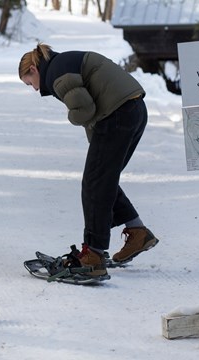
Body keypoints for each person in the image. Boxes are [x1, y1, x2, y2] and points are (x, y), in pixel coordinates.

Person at [18, 43, 159, 277]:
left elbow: (83, 109)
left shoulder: (55, 73)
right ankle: (137, 232)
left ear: (34, 69)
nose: (33, 89)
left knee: (95, 184)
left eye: (29, 82)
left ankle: (92, 254)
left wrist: (72, 117)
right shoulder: (64, 62)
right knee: (104, 180)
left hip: (118, 114)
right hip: (133, 109)